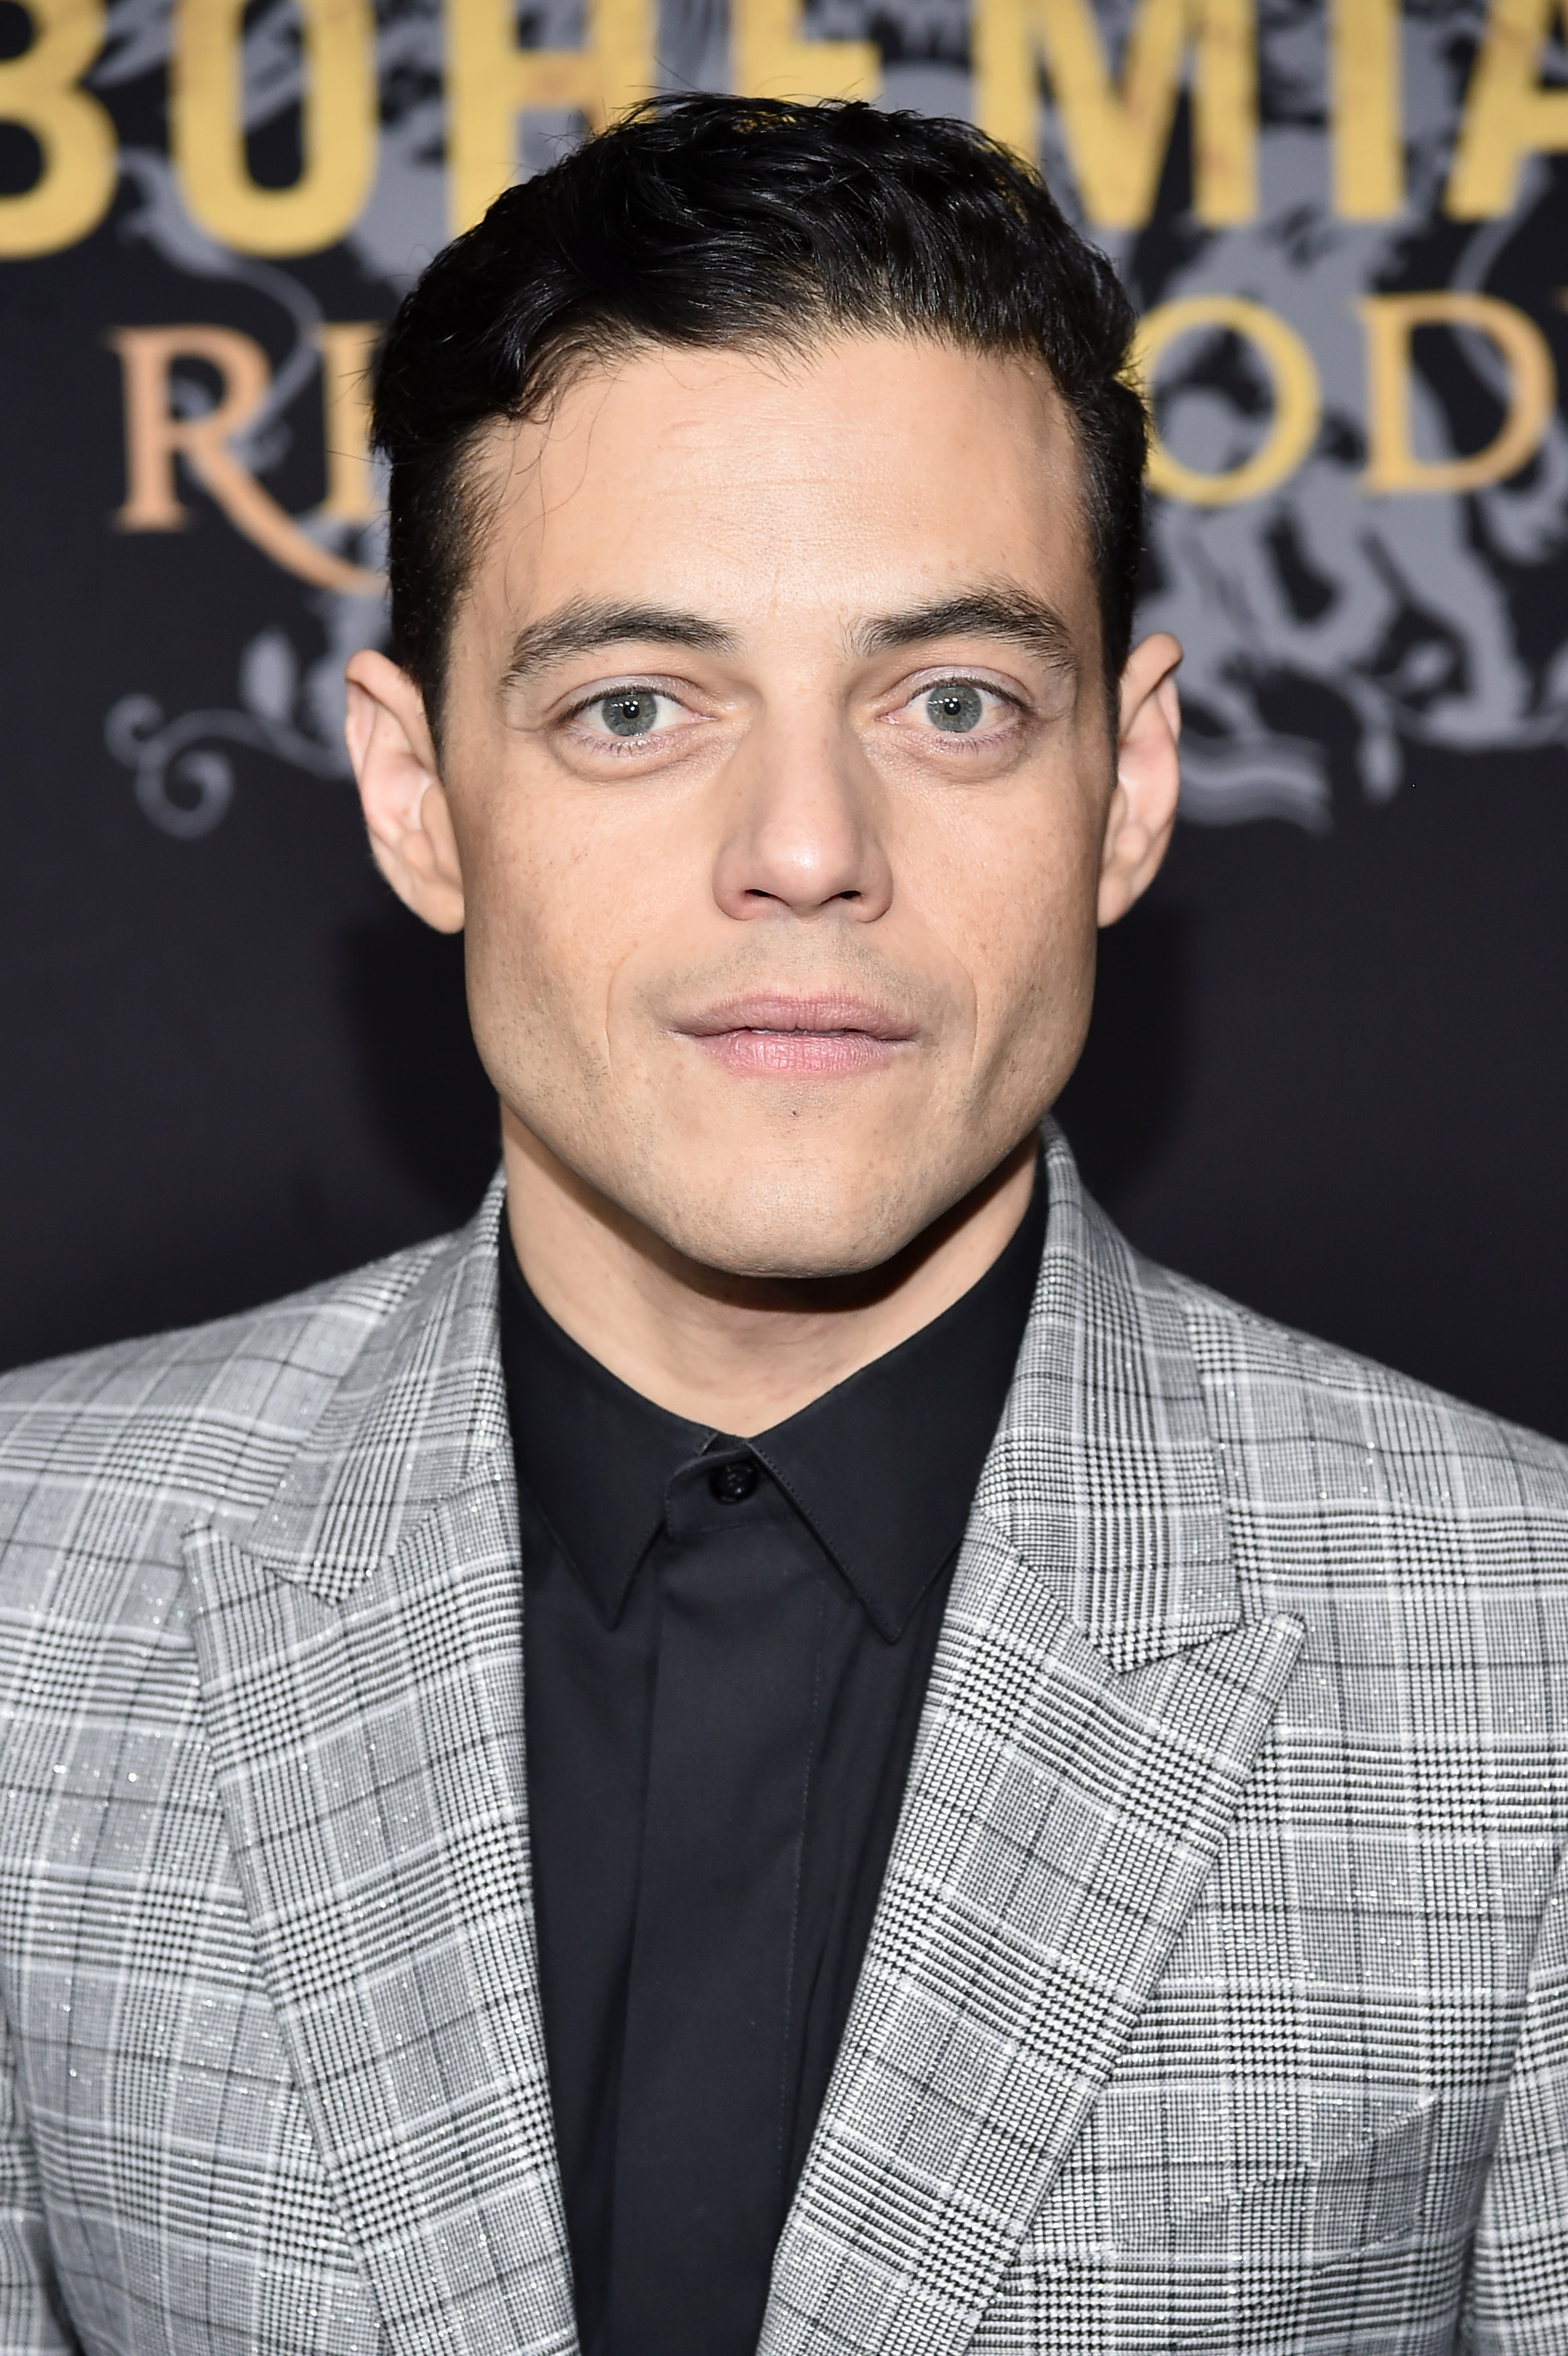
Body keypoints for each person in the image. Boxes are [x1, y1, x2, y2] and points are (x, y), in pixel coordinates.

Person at [0, 94, 1563, 2356]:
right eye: (636, 707)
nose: (808, 847)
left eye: (952, 703)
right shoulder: (29, 1591)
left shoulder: (1525, 1665)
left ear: (1124, 784)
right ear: (418, 797)